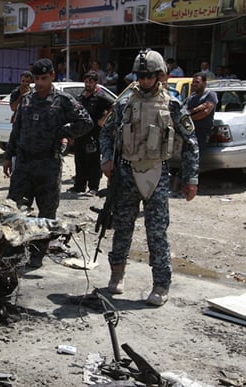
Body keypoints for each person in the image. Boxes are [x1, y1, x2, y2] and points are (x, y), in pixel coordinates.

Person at [100, 49, 199, 306]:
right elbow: (106, 133)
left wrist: (191, 179)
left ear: (160, 76)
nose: (144, 80)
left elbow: (190, 143)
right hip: (126, 173)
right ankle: (117, 274)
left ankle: (161, 284)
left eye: (149, 76)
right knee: (122, 227)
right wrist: (106, 159)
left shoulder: (173, 104)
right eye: (141, 76)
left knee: (157, 232)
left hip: (157, 173)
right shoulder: (124, 103)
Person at [3, 58, 93, 268]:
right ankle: (12, 252)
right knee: (14, 209)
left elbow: (86, 122)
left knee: (46, 213)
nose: (40, 83)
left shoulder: (63, 101)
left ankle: (37, 254)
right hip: (24, 164)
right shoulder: (26, 100)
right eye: (37, 79)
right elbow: (16, 132)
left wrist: (64, 132)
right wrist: (8, 157)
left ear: (53, 75)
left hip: (48, 166)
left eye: (44, 78)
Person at [70, 70, 113, 196]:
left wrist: (104, 119)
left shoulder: (99, 97)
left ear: (95, 83)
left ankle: (93, 187)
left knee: (93, 162)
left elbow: (113, 106)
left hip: (93, 134)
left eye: (91, 82)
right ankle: (79, 185)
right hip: (80, 134)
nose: (88, 84)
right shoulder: (80, 98)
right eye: (86, 81)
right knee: (79, 160)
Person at [184, 72, 218, 149]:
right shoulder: (192, 96)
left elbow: (205, 112)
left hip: (202, 131)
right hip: (189, 131)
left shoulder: (210, 95)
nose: (194, 84)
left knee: (197, 154)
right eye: (193, 82)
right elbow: (184, 110)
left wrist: (188, 119)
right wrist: (196, 109)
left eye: (197, 82)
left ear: (204, 83)